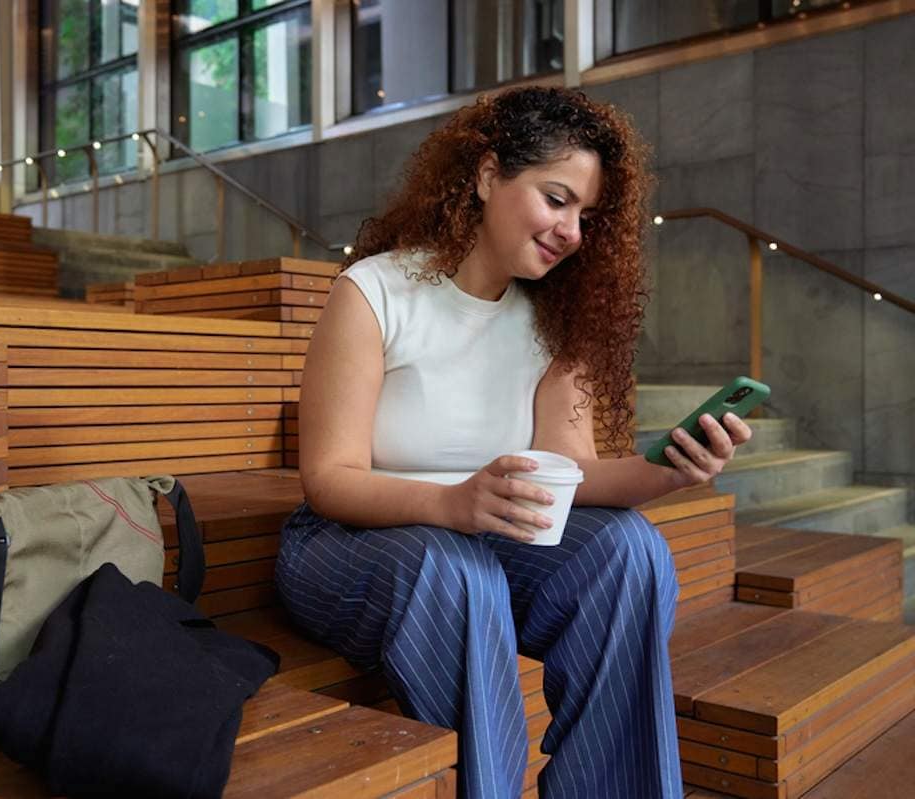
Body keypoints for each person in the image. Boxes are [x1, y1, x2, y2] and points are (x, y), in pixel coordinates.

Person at [275, 86, 752, 798]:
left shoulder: (552, 323)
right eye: (557, 199)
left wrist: (672, 469)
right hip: (350, 543)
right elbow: (330, 478)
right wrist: (453, 502)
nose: (573, 232)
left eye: (587, 216)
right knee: (455, 570)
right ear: (488, 173)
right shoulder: (373, 293)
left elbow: (573, 474)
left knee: (630, 551)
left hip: (482, 542)